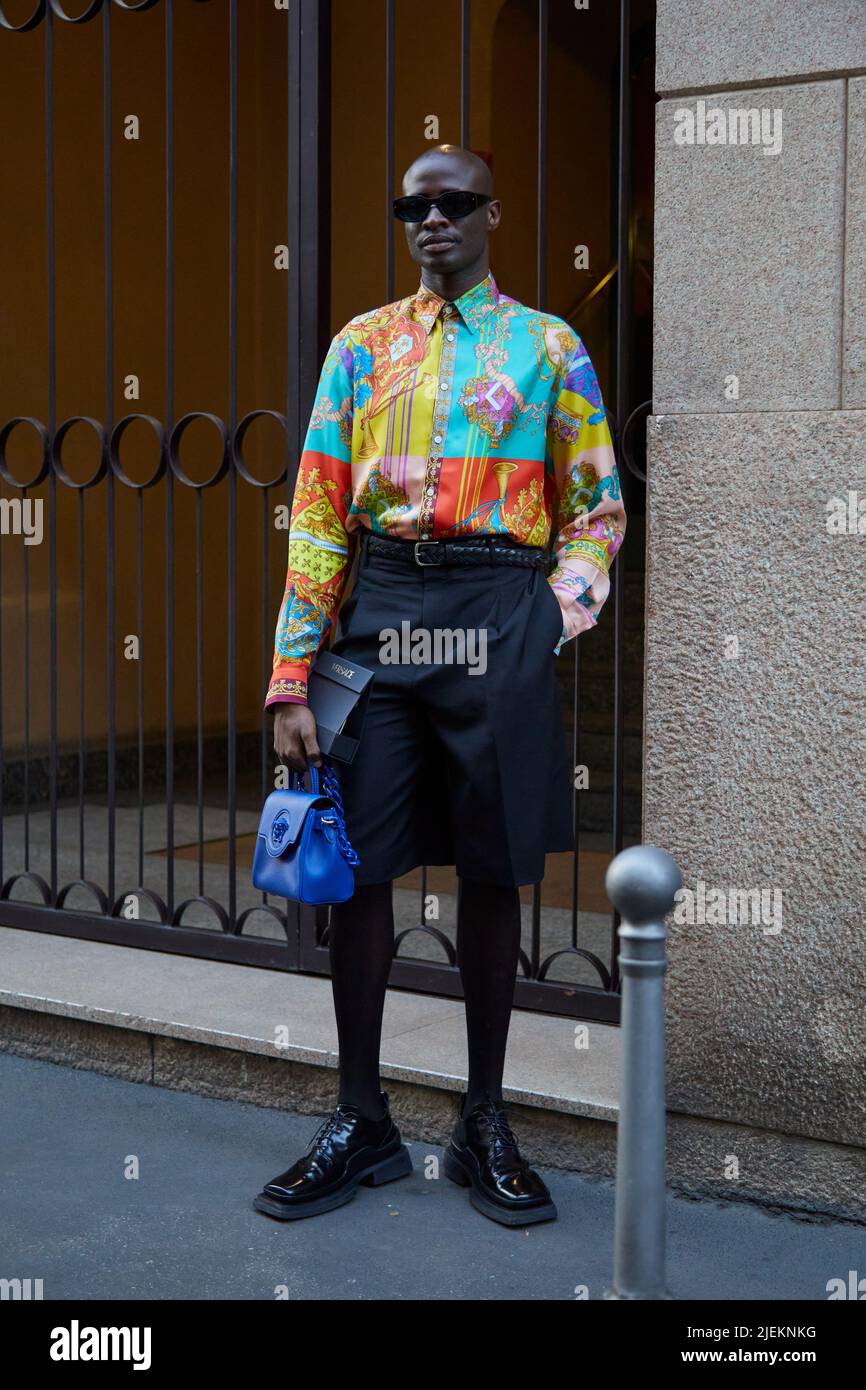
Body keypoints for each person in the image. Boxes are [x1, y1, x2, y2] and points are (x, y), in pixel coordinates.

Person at [253, 144, 626, 1227]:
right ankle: (360, 1117)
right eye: (414, 204)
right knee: (353, 861)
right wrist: (291, 675)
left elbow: (595, 509)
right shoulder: (359, 348)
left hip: (493, 609)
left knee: (492, 863)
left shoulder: (547, 347)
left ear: (491, 213)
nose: (433, 220)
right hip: (377, 616)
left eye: (454, 201)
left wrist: (545, 621)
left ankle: (482, 1118)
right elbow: (319, 513)